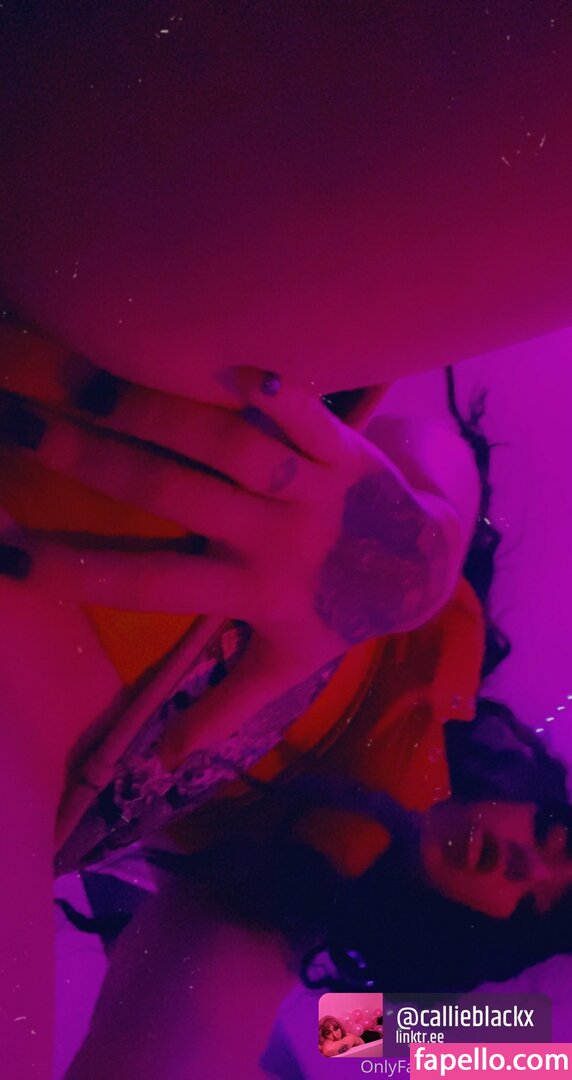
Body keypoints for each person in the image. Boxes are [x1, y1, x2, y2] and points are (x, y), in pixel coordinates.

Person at [1, 3, 572, 1077]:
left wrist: (496, 1039)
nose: (517, 865)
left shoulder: (308, 872)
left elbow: (252, 1032)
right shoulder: (436, 665)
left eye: (526, 900)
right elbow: (426, 435)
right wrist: (424, 541)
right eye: (550, 841)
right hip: (126, 346)